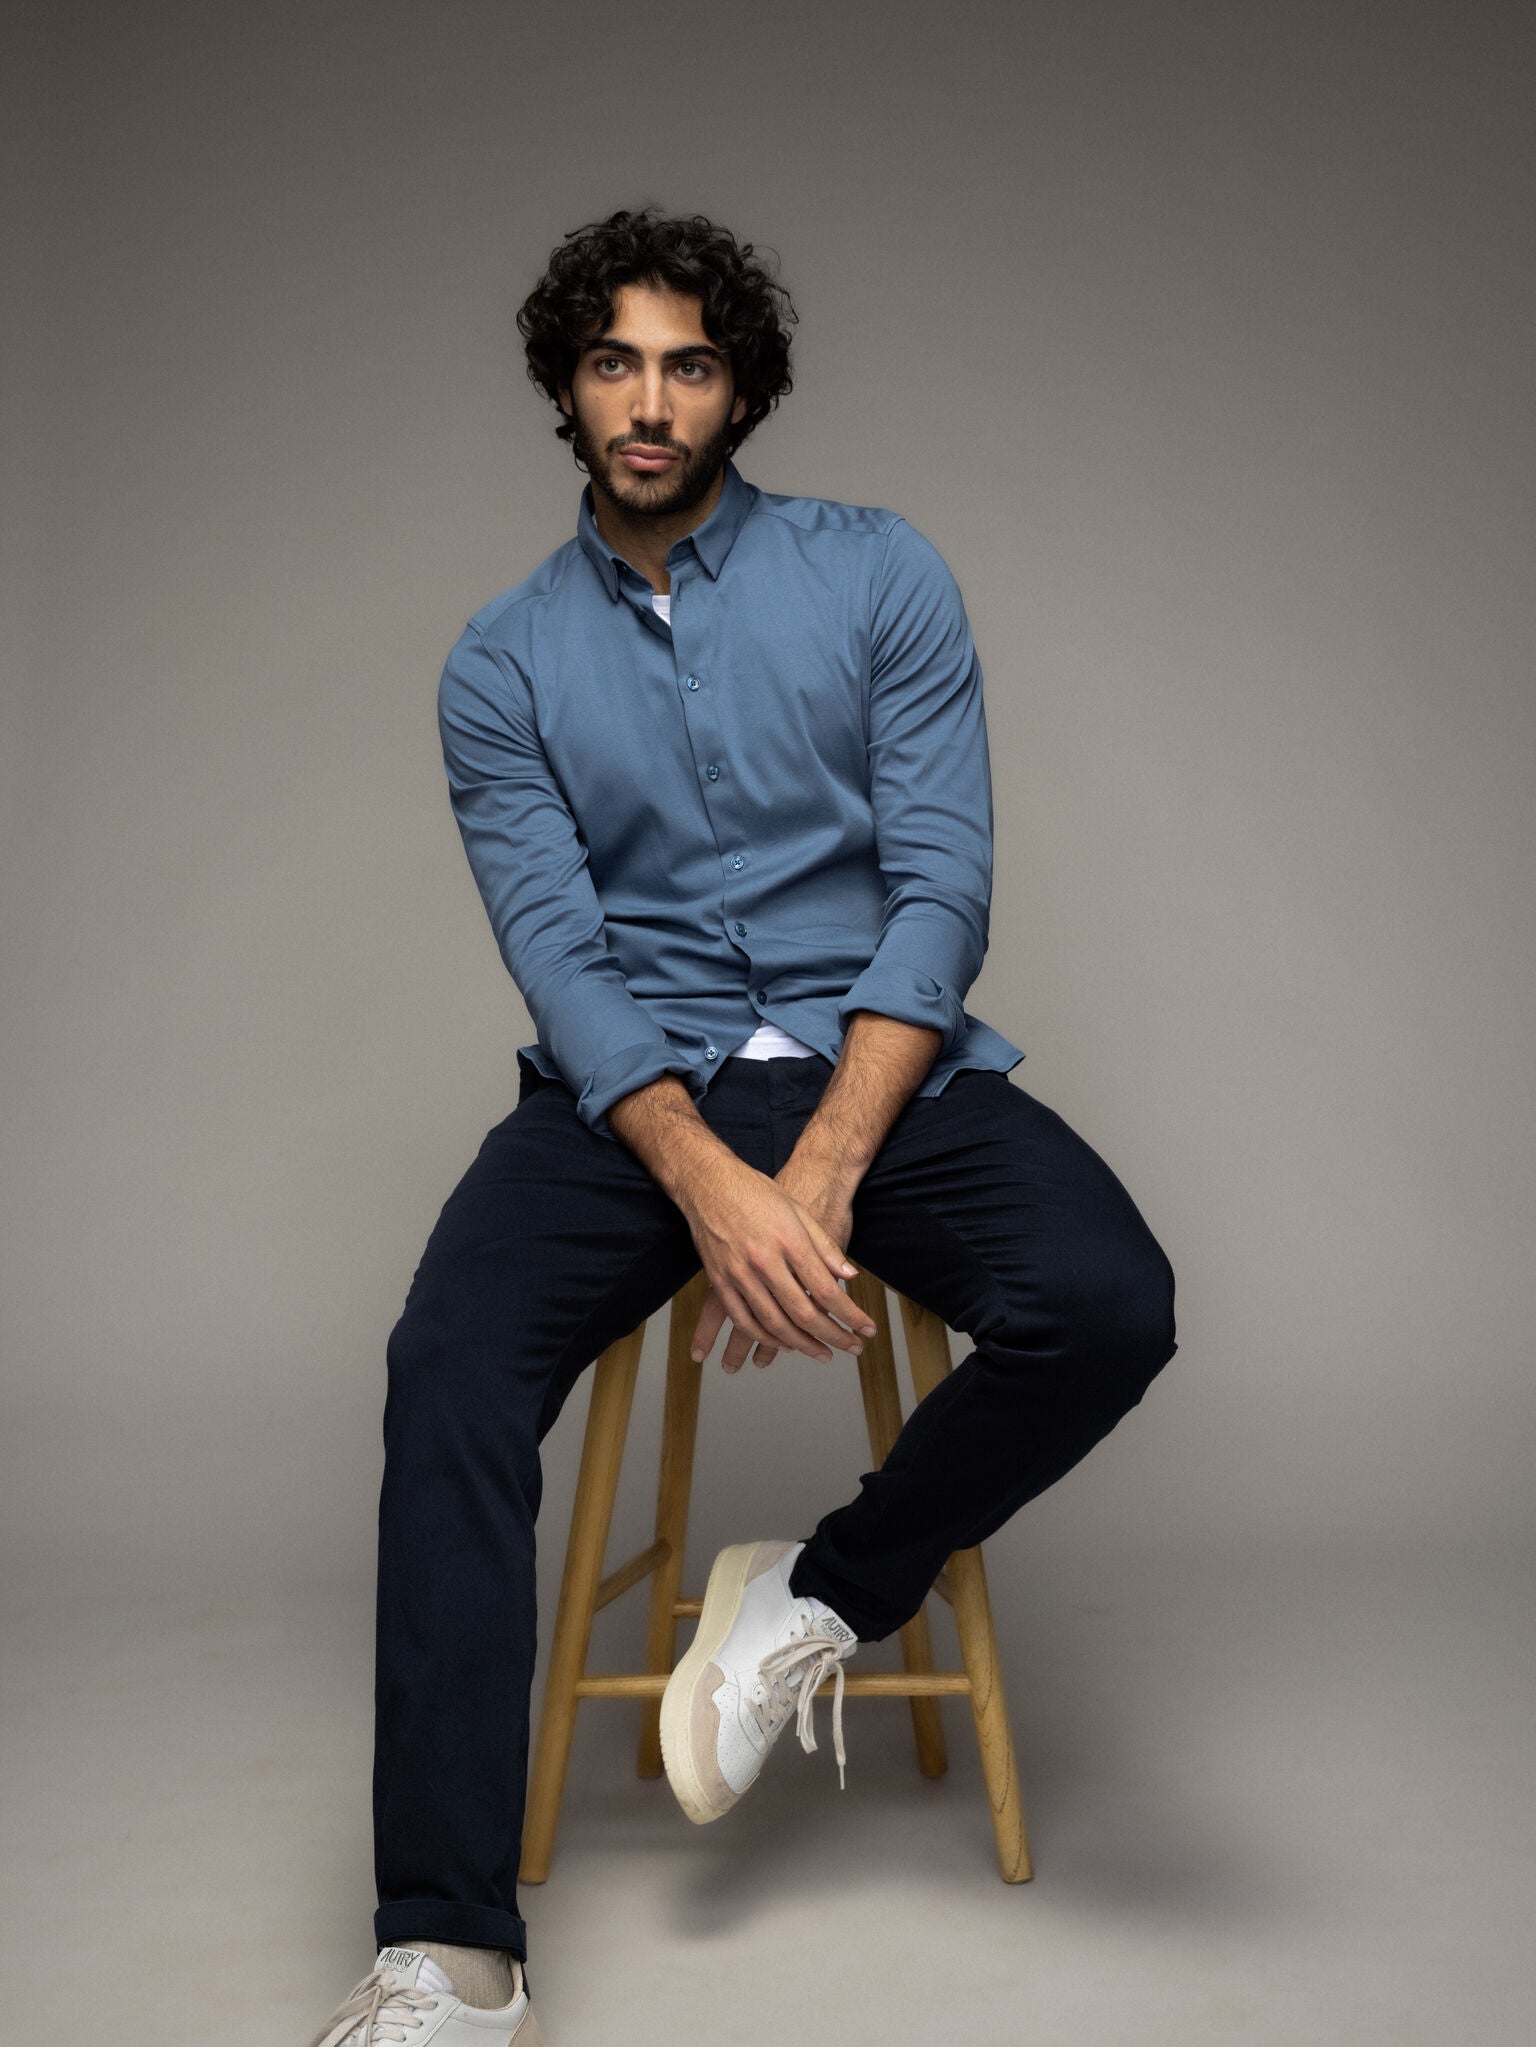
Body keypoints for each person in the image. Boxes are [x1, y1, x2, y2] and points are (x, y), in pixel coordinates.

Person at [307, 205, 1178, 2047]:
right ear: (566, 387)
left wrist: (826, 1168)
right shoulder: (498, 664)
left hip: (882, 1065)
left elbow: (941, 889)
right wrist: (709, 1182)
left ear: (740, 389)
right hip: (634, 1093)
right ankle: (449, 1953)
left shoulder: (880, 574)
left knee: (1110, 1303)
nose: (649, 402)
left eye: (687, 364)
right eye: (613, 362)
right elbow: (559, 954)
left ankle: (819, 1596)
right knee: (444, 1373)